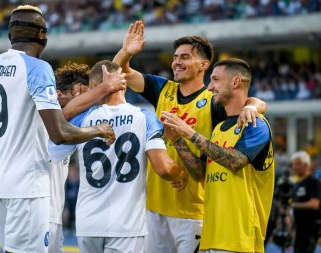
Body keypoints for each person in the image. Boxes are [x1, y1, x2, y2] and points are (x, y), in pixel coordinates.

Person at [113, 20, 267, 252]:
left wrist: (254, 107)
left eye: (185, 57)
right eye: (175, 57)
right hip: (154, 207)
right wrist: (125, 53)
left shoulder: (215, 100)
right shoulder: (162, 88)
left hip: (193, 210)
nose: (176, 62)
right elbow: (117, 75)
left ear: (204, 64)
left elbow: (251, 102)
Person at [0, 5, 122, 253]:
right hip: (26, 185)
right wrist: (100, 130)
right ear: (42, 36)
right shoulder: (38, 68)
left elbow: (28, 104)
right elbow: (59, 133)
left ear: (10, 35)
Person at [49, 60, 189, 253]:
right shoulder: (145, 117)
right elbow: (164, 168)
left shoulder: (82, 118)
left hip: (88, 224)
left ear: (96, 87)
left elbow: (54, 146)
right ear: (122, 84)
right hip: (126, 226)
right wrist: (182, 174)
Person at [162, 58, 275, 253]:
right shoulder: (219, 129)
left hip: (240, 239)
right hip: (211, 236)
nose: (209, 86)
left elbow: (235, 162)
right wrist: (178, 139)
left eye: (215, 79)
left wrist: (189, 132)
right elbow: (202, 173)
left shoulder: (256, 124)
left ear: (235, 82)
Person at [48, 61, 91, 253]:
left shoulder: (70, 118)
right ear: (59, 94)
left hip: (52, 212)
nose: (86, 100)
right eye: (82, 92)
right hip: (38, 208)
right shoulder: (51, 115)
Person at [291, 151, 321, 253]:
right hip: (299, 229)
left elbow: (315, 204)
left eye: (298, 164)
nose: (295, 167)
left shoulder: (314, 182)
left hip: (310, 229)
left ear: (306, 165)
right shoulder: (296, 184)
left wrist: (294, 205)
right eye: (293, 164)